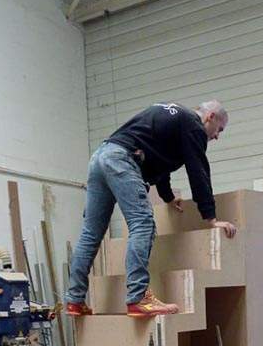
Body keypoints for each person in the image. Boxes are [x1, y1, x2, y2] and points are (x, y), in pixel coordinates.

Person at [65, 100, 237, 317]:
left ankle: (74, 300)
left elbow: (161, 163)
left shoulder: (177, 119)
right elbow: (198, 170)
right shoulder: (194, 126)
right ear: (210, 116)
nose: (217, 136)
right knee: (143, 224)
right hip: (121, 159)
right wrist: (211, 218)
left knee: (91, 233)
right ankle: (138, 298)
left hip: (101, 156)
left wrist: (167, 196)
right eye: (219, 129)